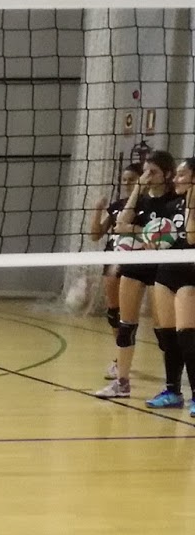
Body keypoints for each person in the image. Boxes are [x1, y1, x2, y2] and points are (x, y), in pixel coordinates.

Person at [95, 150, 179, 402]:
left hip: (161, 268)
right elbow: (121, 224)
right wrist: (137, 191)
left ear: (167, 174)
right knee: (126, 325)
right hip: (135, 265)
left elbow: (169, 234)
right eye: (145, 171)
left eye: (153, 172)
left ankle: (172, 386)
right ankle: (122, 383)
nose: (147, 176)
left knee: (163, 331)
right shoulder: (140, 199)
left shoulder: (175, 201)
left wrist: (136, 230)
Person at [145, 157, 194, 410]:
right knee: (168, 336)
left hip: (191, 273)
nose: (176, 179)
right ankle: (172, 392)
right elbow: (159, 233)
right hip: (166, 271)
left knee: (187, 336)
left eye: (182, 175)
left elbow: (192, 237)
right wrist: (151, 241)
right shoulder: (172, 204)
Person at [91, 162, 140, 379]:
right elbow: (95, 235)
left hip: (135, 262)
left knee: (129, 317)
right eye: (125, 180)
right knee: (113, 313)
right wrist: (98, 210)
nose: (127, 183)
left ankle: (124, 358)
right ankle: (120, 357)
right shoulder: (117, 206)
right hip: (112, 258)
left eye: (132, 179)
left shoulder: (146, 205)